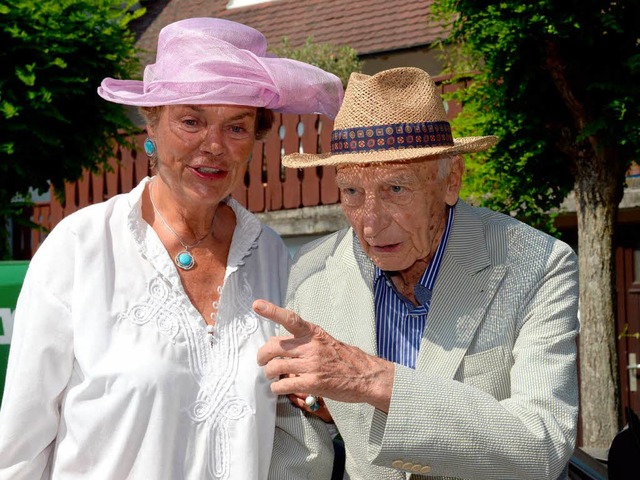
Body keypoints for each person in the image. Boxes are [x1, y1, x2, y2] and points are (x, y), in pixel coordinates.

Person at [0, 17, 342, 479]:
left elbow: (292, 423)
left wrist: (322, 402)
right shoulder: (81, 248)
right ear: (152, 125)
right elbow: (19, 445)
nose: (214, 145)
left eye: (237, 128)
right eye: (191, 121)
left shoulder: (270, 256)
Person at [256, 67, 579, 479]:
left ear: (451, 181)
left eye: (396, 188)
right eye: (352, 191)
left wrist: (374, 380)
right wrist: (322, 407)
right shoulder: (313, 271)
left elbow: (543, 445)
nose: (370, 224)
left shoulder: (537, 263)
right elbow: (296, 453)